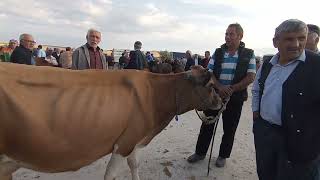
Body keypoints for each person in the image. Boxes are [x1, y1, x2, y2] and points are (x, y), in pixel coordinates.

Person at [252, 19, 320, 180]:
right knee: (266, 173)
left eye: (301, 38)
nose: (296, 44)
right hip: (266, 134)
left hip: (301, 142)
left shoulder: (317, 65)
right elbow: (256, 89)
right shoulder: (268, 63)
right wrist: (256, 113)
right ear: (276, 42)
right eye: (289, 39)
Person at [187, 23, 256, 168]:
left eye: (231, 34)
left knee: (229, 129)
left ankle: (223, 156)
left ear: (240, 36)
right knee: (207, 124)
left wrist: (231, 88)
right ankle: (200, 153)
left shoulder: (249, 54)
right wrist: (219, 87)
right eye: (226, 34)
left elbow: (251, 76)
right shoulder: (218, 52)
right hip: (213, 96)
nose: (227, 37)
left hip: (235, 98)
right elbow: (209, 72)